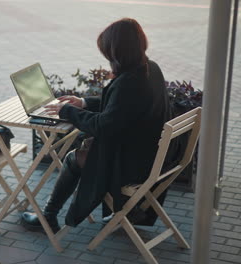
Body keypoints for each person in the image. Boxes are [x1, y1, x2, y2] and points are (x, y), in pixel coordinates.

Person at [22, 18, 176, 233]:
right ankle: (127, 211)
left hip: (134, 166)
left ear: (118, 51)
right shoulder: (150, 68)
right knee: (87, 148)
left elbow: (103, 126)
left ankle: (48, 217)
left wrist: (66, 111)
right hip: (150, 155)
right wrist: (83, 102)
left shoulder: (129, 82)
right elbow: (121, 109)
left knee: (74, 158)